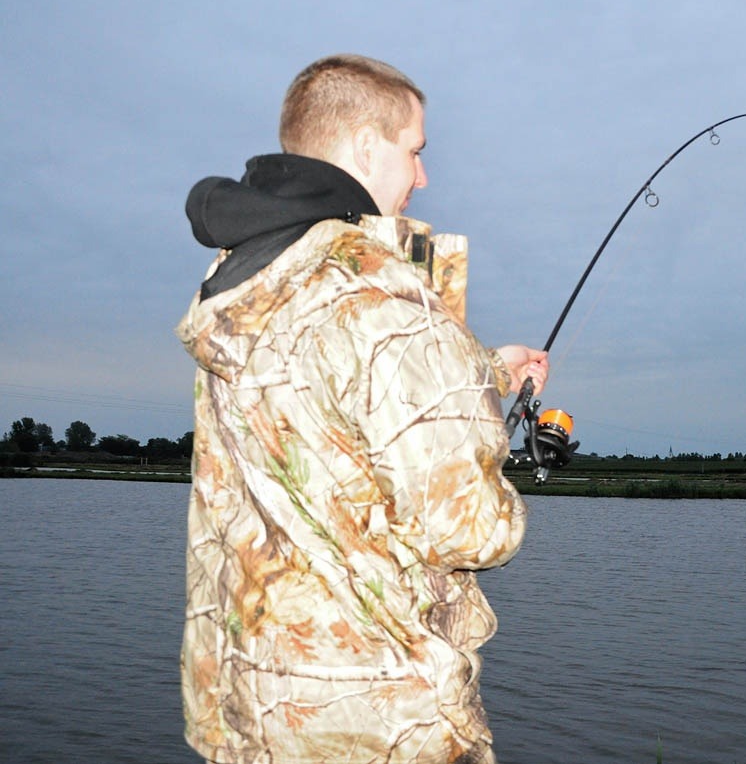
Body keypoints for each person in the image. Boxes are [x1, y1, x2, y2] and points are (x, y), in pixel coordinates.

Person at [176, 54, 548, 764]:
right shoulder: (382, 291)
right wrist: (496, 453)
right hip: (376, 718)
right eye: (416, 151)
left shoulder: (242, 277)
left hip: (256, 694)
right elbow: (471, 529)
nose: (423, 176)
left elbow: (328, 402)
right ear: (367, 147)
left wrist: (490, 369)